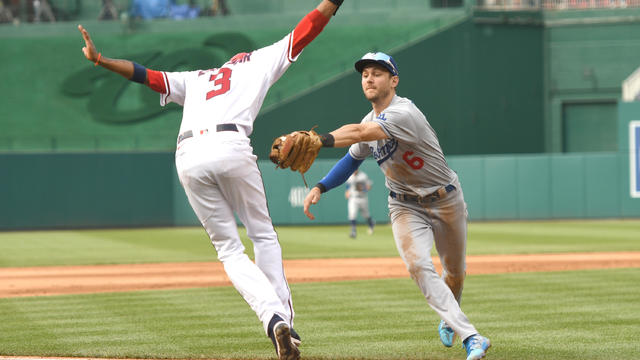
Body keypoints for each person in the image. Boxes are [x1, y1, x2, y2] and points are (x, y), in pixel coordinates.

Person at [77, 1, 343, 359]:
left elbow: (145, 75)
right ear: (242, 58)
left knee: (229, 250)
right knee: (262, 234)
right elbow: (306, 30)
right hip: (231, 144)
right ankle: (285, 326)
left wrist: (99, 59)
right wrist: (333, 3)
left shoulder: (198, 77)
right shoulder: (259, 61)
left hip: (188, 153)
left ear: (225, 64)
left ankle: (272, 318)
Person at [302, 52, 491, 360]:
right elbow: (353, 157)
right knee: (418, 264)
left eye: (377, 73)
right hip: (404, 205)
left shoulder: (405, 112)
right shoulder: (368, 120)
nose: (369, 78)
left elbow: (363, 134)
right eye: (365, 74)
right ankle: (471, 337)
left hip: (445, 198)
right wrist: (321, 186)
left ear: (394, 80)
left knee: (455, 273)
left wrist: (319, 139)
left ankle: (449, 319)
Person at [344, 169, 374, 238]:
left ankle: (371, 223)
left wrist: (363, 189)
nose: (354, 170)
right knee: (352, 214)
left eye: (355, 169)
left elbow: (369, 185)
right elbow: (348, 185)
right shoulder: (350, 176)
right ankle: (353, 231)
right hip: (353, 198)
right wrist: (347, 192)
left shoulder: (363, 176)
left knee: (366, 215)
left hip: (362, 197)